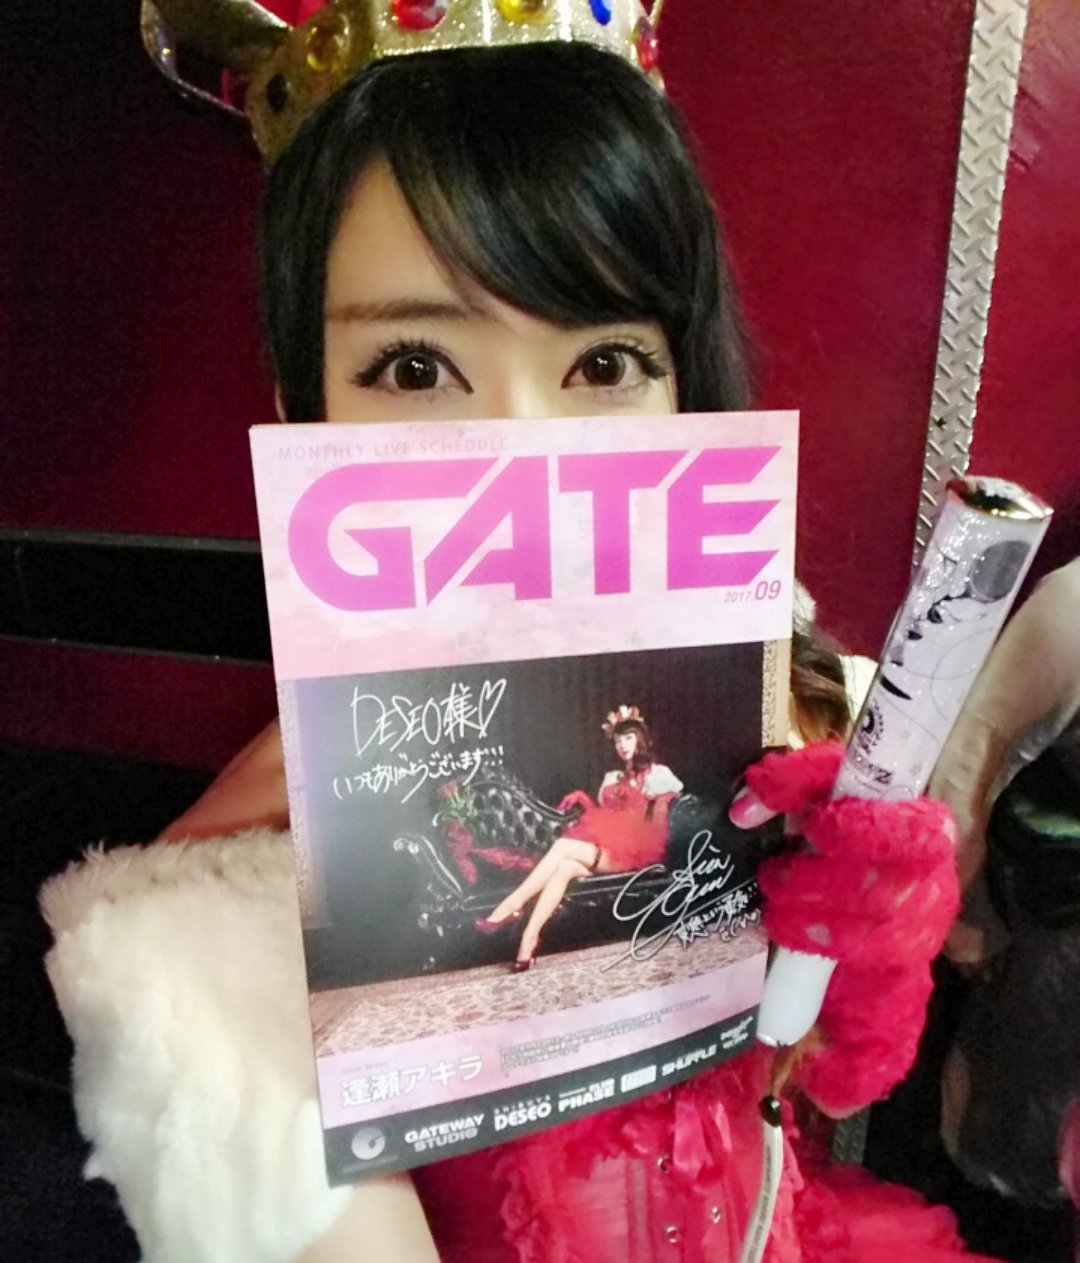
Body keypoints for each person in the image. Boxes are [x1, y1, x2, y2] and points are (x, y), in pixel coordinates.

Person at [41, 6, 1001, 1261]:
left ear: (683, 387)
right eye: (413, 367)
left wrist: (864, 937)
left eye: (603, 364)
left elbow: (830, 1079)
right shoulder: (215, 909)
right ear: (303, 413)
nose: (523, 449)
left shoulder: (787, 711)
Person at [477, 705, 684, 968]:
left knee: (564, 845)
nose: (622, 745)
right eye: (618, 741)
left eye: (629, 738)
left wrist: (658, 802)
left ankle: (509, 906)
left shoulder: (657, 774)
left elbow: (677, 796)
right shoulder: (612, 777)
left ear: (640, 740)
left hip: (633, 853)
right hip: (608, 848)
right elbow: (606, 814)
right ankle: (528, 941)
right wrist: (584, 799)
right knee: (563, 868)